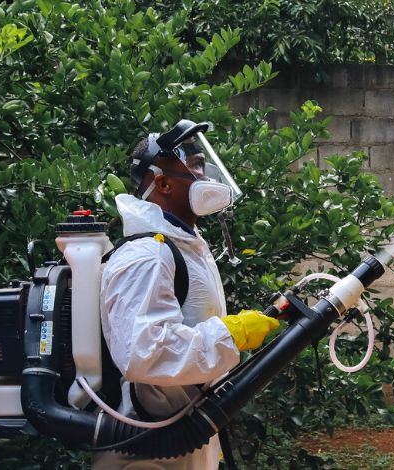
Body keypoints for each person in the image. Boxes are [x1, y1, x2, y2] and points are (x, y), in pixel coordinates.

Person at [93, 121, 279, 469]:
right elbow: (144, 352)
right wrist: (231, 333)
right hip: (149, 451)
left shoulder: (182, 246)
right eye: (193, 165)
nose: (204, 173)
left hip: (179, 438)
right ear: (162, 183)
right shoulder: (147, 256)